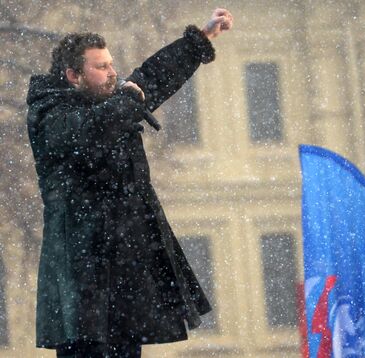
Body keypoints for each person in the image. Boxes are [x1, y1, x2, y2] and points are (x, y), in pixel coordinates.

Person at [26, 8, 233, 358]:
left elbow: (150, 79)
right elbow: (88, 132)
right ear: (73, 74)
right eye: (101, 67)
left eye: (111, 64)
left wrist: (199, 40)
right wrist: (129, 98)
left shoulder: (114, 102)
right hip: (82, 283)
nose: (113, 73)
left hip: (124, 277)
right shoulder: (51, 114)